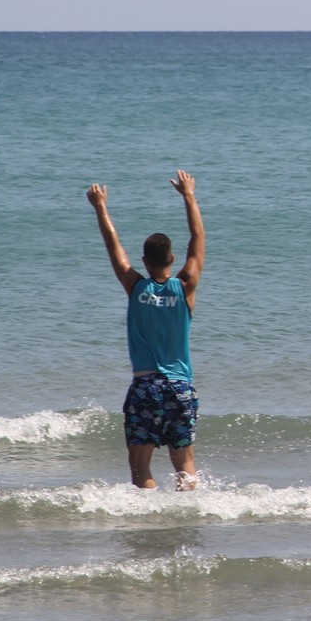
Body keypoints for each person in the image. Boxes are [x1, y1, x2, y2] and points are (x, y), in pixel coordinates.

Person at [87, 170, 205, 490]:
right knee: (185, 463)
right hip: (180, 387)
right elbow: (198, 241)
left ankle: (150, 527)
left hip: (145, 388)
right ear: (172, 258)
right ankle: (187, 516)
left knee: (140, 466)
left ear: (145, 260)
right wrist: (189, 195)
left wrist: (101, 207)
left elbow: (115, 249)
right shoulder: (185, 287)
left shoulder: (136, 287)